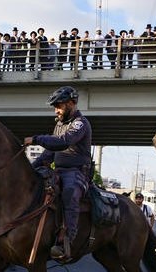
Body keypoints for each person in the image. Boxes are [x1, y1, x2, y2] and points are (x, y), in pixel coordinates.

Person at [24, 86, 93, 260]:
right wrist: (30, 168)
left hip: (77, 173)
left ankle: (67, 240)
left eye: (59, 106)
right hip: (59, 170)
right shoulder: (59, 125)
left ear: (71, 103)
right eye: (55, 107)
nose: (56, 111)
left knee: (69, 191)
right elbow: (49, 153)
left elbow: (63, 142)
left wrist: (36, 139)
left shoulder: (80, 123)